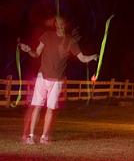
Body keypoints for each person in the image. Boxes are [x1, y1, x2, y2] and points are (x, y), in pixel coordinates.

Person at [19, 15, 98, 145]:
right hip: (42, 77)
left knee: (50, 108)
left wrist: (93, 56)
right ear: (55, 24)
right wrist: (29, 50)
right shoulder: (47, 36)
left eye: (62, 23)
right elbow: (36, 54)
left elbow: (82, 58)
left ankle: (44, 137)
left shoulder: (71, 41)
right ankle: (30, 136)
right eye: (58, 23)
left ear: (65, 25)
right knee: (37, 106)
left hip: (57, 80)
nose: (60, 25)